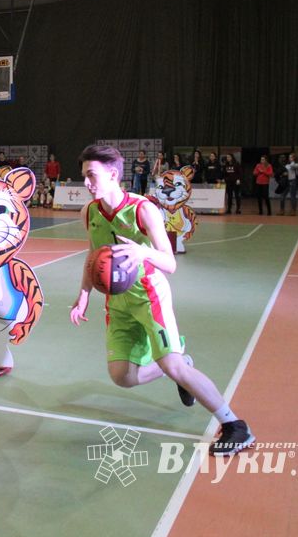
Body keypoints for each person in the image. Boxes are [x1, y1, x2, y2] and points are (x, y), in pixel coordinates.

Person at [70, 145, 254, 457]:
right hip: (117, 302)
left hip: (149, 296)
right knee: (122, 377)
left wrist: (142, 252)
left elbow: (169, 264)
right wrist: (83, 295)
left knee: (171, 364)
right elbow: (93, 255)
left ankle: (235, 425)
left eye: (92, 176)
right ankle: (182, 362)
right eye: (84, 176)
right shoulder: (89, 213)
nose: (87, 183)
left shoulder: (143, 210)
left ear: (113, 174)